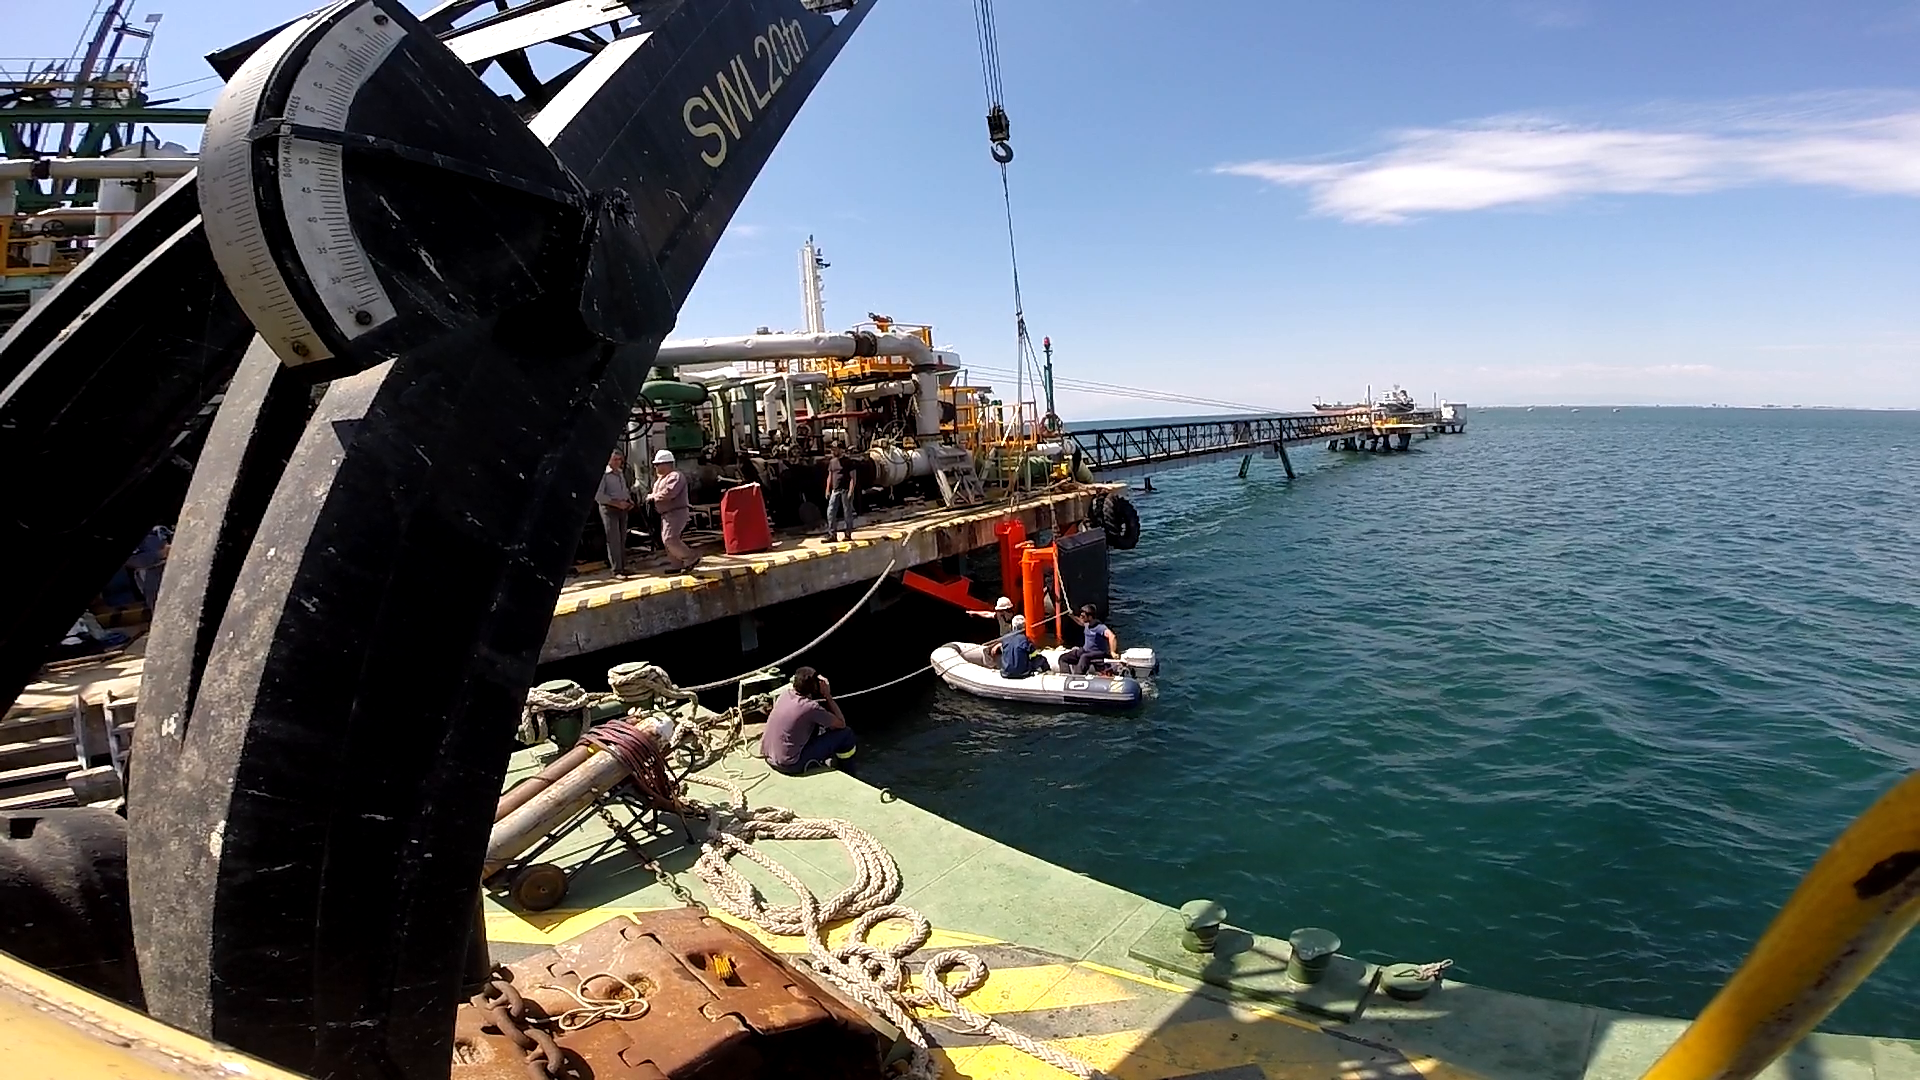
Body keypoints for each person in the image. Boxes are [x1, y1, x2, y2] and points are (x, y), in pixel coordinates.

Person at [760, 667, 857, 773]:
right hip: (790, 765)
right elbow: (841, 724)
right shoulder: (810, 707)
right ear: (815, 686)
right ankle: (847, 771)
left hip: (770, 757)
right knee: (845, 734)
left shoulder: (785, 695)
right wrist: (827, 695)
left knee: (814, 727)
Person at [644, 449, 700, 571]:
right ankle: (676, 565)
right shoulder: (661, 479)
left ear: (667, 464)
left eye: (658, 464)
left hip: (676, 512)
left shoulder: (675, 476)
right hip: (666, 514)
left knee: (670, 538)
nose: (655, 467)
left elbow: (669, 493)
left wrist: (653, 497)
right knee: (667, 540)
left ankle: (690, 557)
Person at [1058, 604, 1119, 675]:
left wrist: (1113, 652)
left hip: (1098, 653)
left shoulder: (1100, 627)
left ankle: (1078, 676)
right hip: (1086, 650)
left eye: (1083, 616)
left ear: (1090, 617)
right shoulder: (1087, 624)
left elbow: (1112, 636)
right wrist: (1071, 615)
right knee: (1063, 658)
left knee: (1084, 657)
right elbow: (1080, 622)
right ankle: (1065, 675)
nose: (1081, 617)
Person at [824, 440, 857, 542]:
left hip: (845, 490)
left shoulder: (848, 462)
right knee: (830, 512)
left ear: (840, 450)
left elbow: (853, 477)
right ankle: (832, 535)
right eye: (832, 449)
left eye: (835, 449)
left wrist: (851, 490)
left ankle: (848, 534)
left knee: (847, 513)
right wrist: (827, 489)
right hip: (835, 490)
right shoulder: (832, 462)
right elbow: (830, 476)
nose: (833, 451)